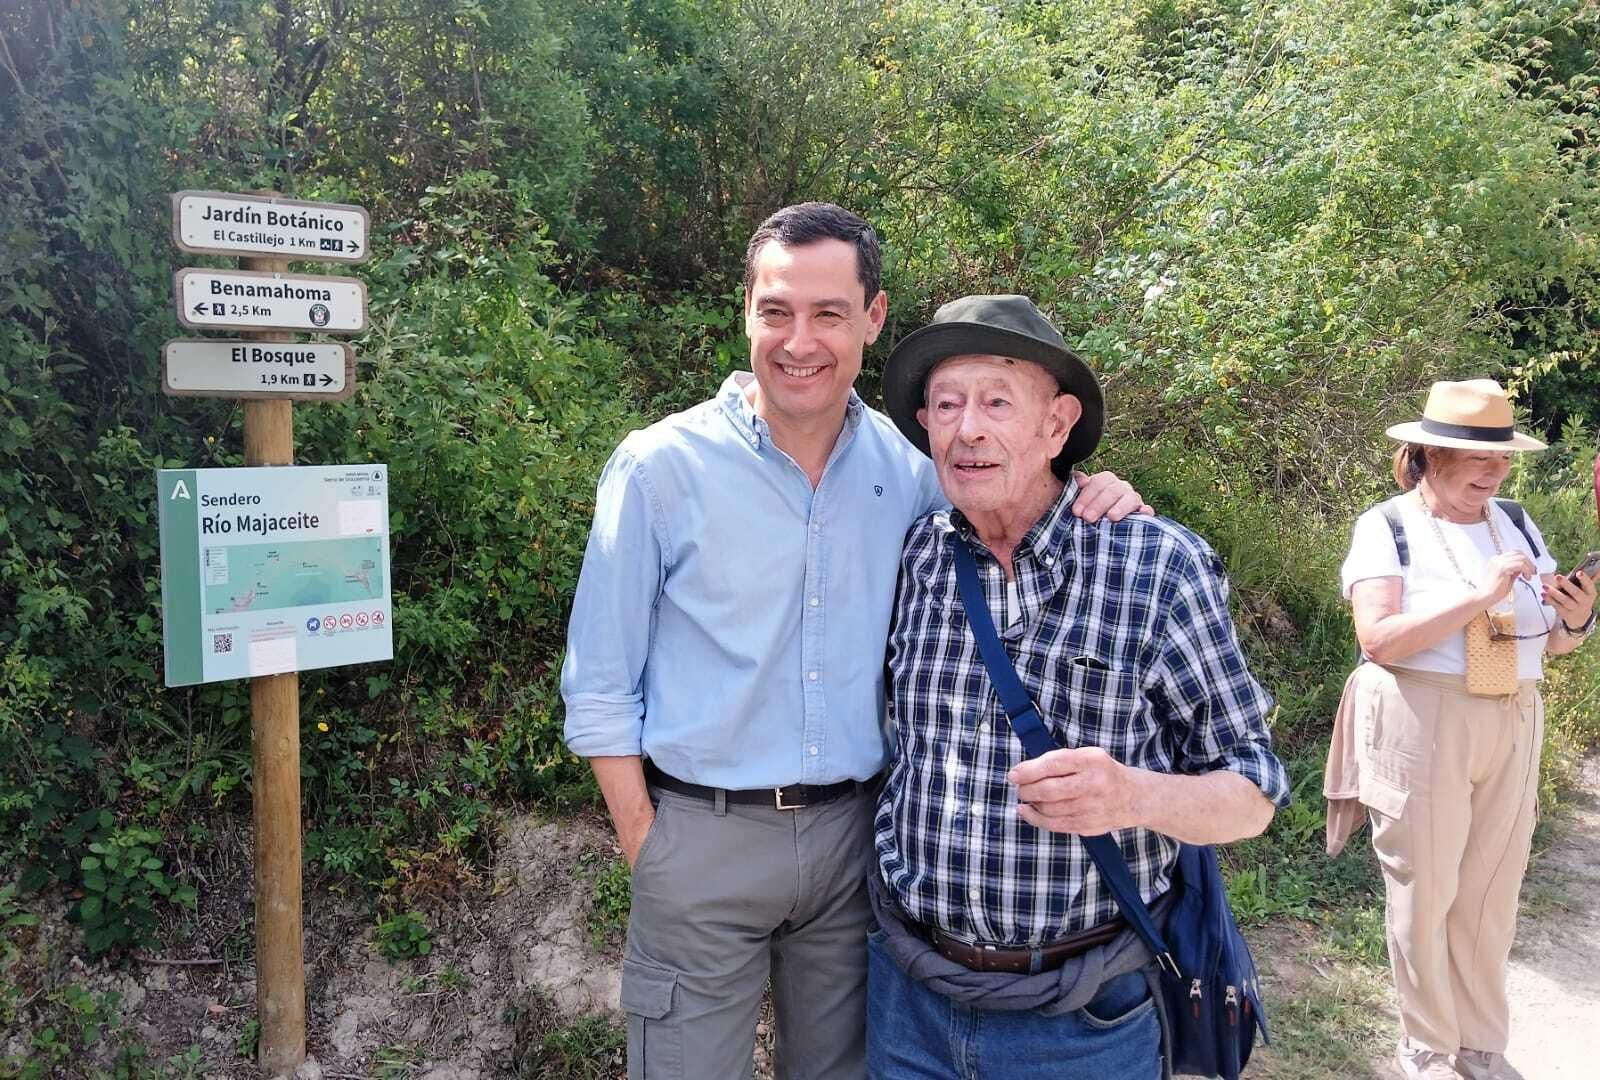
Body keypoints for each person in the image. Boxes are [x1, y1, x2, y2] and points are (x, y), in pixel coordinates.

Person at [560, 204, 1146, 1080]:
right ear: (746, 312)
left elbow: (1013, 512)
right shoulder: (658, 469)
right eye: (778, 311)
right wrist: (651, 845)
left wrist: (1095, 492)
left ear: (873, 319)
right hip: (701, 839)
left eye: (829, 313)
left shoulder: (912, 476)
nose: (800, 341)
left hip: (855, 846)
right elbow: (599, 684)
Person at [867, 294, 1290, 1079]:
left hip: (1083, 1021)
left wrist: (1133, 796)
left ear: (1057, 425)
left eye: (998, 402)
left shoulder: (1157, 567)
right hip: (908, 1002)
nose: (968, 429)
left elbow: (1255, 791)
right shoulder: (916, 556)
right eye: (948, 405)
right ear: (924, 424)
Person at [1329, 379, 1595, 1080]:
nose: (1494, 471)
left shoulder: (1516, 520)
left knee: (1491, 891)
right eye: (1476, 458)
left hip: (1514, 709)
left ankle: (1480, 1045)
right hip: (1422, 714)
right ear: (1428, 455)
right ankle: (1426, 1046)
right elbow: (1379, 638)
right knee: (1426, 890)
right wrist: (1480, 595)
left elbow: (1553, 643)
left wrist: (1576, 615)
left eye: (1502, 458)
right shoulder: (1386, 526)